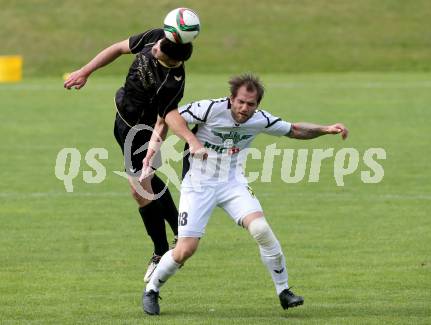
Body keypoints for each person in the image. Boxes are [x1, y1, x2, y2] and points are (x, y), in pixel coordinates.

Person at [141, 74, 349, 315]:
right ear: (231, 99)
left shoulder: (259, 119)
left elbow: (294, 130)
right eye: (240, 101)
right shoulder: (210, 108)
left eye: (250, 104)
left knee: (260, 228)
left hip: (233, 183)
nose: (244, 108)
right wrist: (191, 141)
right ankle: (152, 289)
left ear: (257, 105)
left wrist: (326, 129)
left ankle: (284, 290)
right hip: (198, 184)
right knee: (186, 249)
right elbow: (169, 115)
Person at [63, 18, 205, 283]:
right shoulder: (157, 36)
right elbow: (117, 48)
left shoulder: (171, 81)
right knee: (146, 181)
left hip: (140, 133)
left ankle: (161, 251)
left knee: (140, 190)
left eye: (159, 50)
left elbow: (165, 120)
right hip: (121, 119)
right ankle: (179, 229)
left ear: (171, 60)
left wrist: (157, 149)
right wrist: (85, 71)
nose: (153, 48)